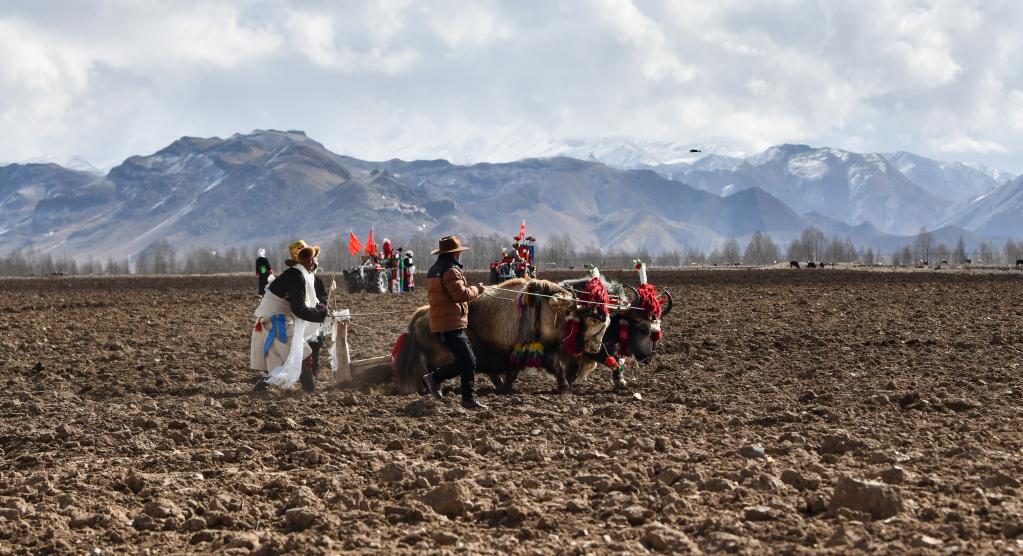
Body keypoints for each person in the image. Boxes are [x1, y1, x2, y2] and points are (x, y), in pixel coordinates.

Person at [419, 235, 488, 410]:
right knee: (469, 360)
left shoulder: (435, 269)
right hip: (450, 323)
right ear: (455, 253)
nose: (459, 254)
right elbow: (460, 295)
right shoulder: (450, 270)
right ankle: (465, 398)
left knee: (467, 360)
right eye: (458, 251)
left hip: (445, 323)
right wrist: (478, 289)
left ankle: (437, 380)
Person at [251, 240, 328, 393]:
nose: (316, 261)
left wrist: (322, 310)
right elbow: (299, 309)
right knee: (303, 352)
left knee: (285, 356)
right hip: (276, 319)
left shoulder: (302, 275)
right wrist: (322, 315)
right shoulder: (296, 276)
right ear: (309, 260)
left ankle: (263, 387)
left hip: (279, 317)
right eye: (314, 258)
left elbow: (310, 303)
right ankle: (309, 390)